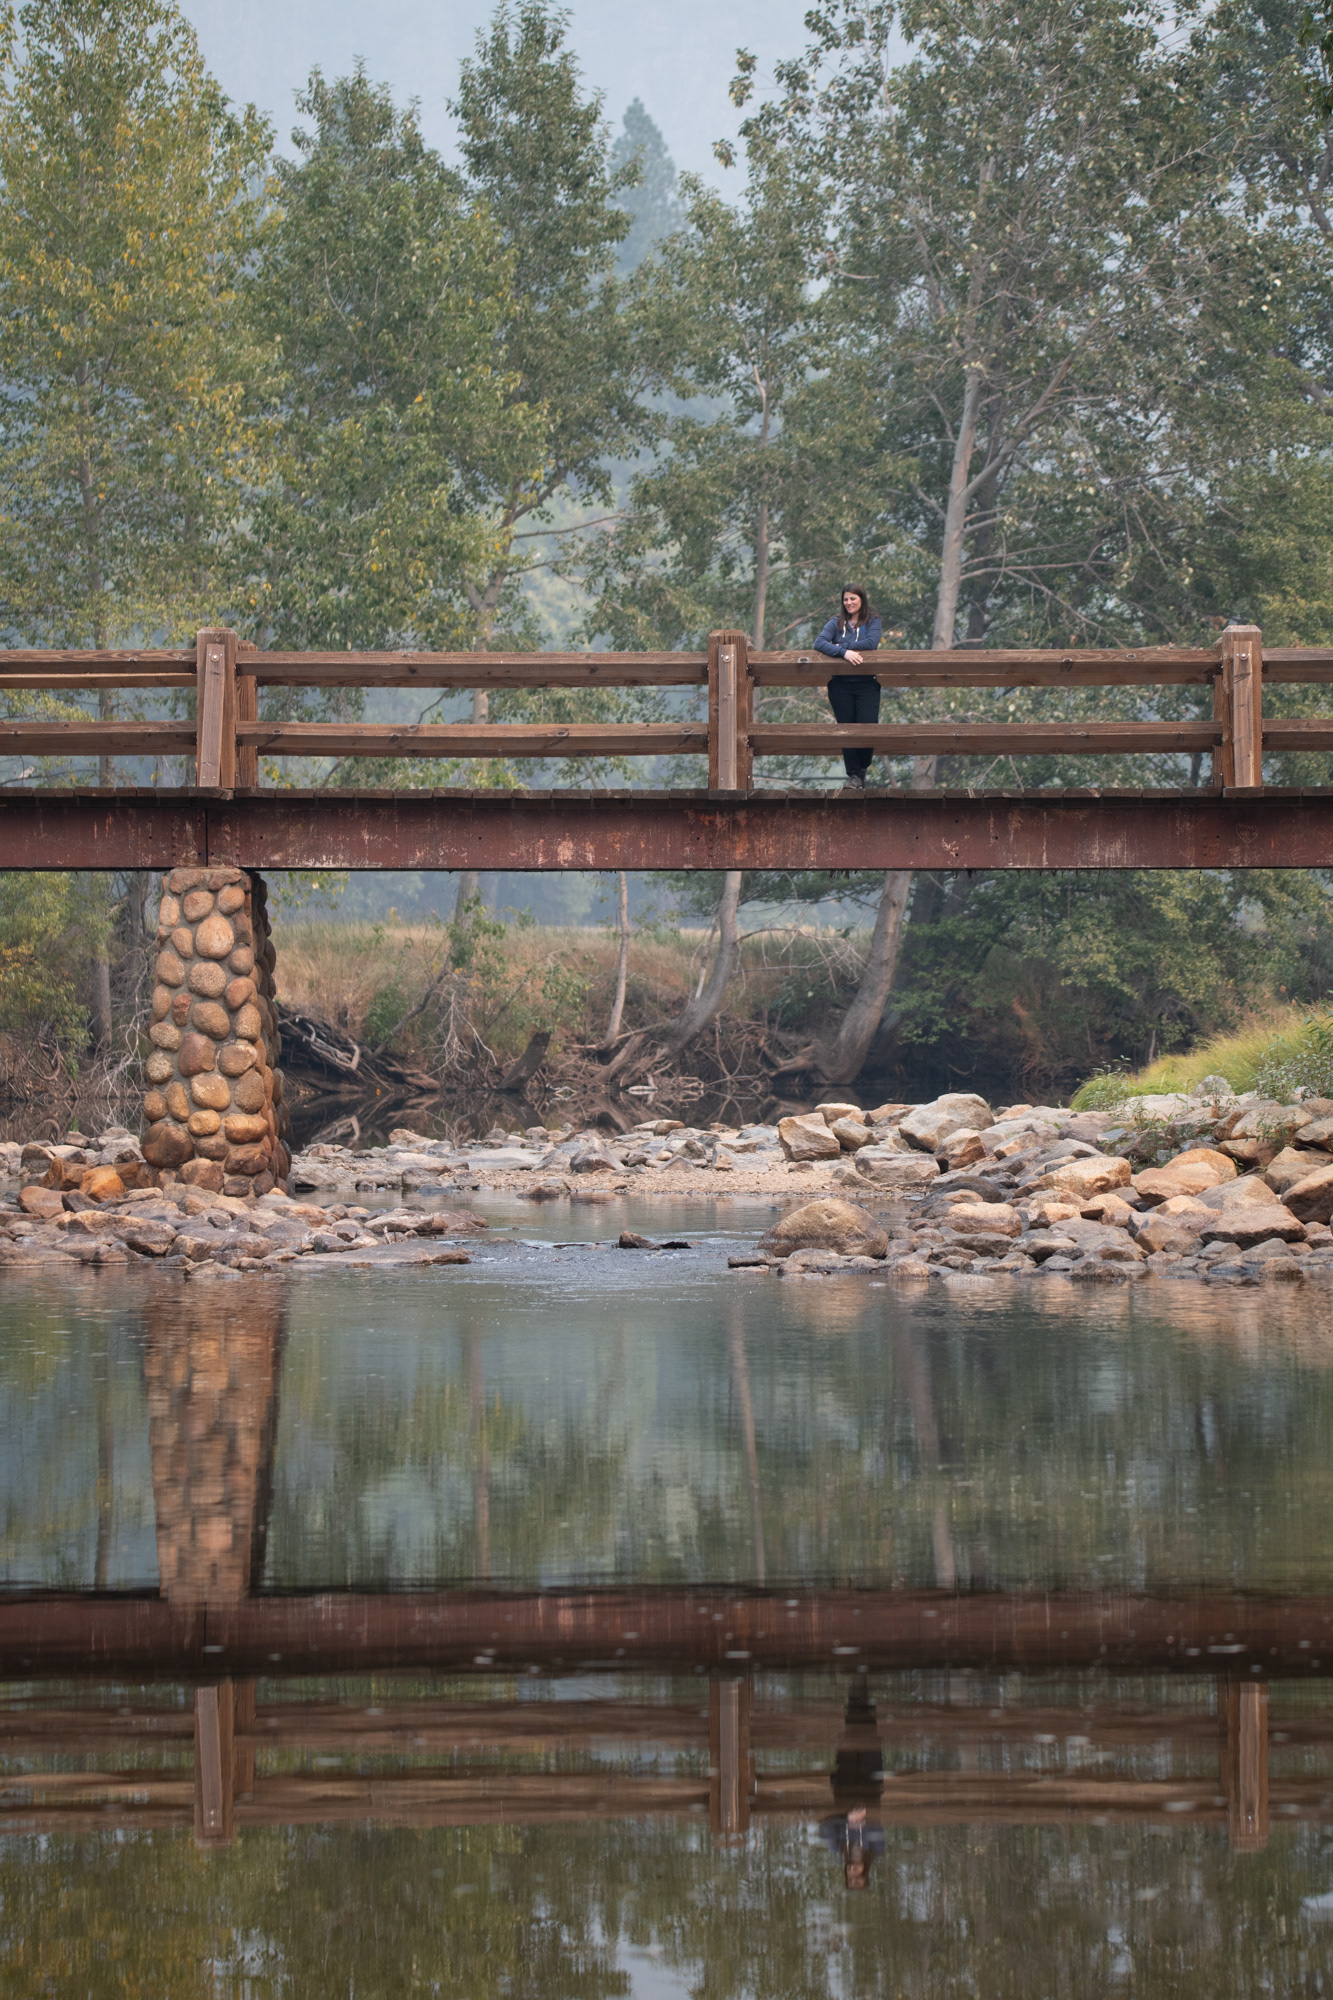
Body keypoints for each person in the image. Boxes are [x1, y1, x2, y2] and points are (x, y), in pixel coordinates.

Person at [814, 586, 883, 790]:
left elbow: (871, 643)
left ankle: (862, 768)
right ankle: (854, 775)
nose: (849, 603)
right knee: (846, 729)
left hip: (867, 684)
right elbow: (819, 643)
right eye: (845, 599)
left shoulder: (873, 620)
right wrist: (844, 653)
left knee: (868, 727)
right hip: (840, 685)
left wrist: (840, 647)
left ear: (862, 599)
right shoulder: (836, 622)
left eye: (853, 598)